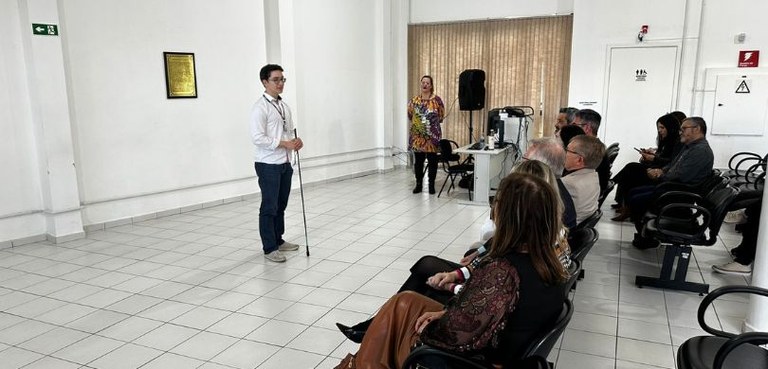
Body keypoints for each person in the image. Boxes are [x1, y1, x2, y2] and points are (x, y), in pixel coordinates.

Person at [334, 173, 567, 369]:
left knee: (393, 330)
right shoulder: (547, 263)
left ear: (509, 217)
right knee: (403, 302)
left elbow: (455, 336)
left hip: (468, 361)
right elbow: (489, 315)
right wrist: (446, 313)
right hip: (491, 347)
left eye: (496, 203)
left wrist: (437, 322)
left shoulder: (503, 273)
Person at [629, 117, 714, 249]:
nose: (680, 132)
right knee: (633, 192)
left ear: (697, 129)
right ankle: (645, 234)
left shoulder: (700, 151)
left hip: (679, 194)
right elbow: (673, 165)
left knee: (636, 199)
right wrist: (660, 170)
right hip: (670, 188)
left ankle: (648, 238)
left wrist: (660, 175)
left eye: (684, 129)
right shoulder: (689, 147)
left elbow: (682, 177)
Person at [250, 64, 303, 263]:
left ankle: (278, 240)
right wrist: (284, 143)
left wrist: (295, 141)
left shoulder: (283, 106)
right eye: (276, 80)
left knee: (281, 205)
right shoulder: (260, 107)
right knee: (269, 206)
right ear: (265, 82)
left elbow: (287, 132)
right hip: (268, 164)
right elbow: (257, 138)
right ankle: (269, 247)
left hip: (285, 162)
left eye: (282, 79)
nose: (280, 83)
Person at [611, 113, 682, 221]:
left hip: (661, 174)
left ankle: (613, 184)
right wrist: (652, 156)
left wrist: (653, 158)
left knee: (631, 168)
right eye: (658, 128)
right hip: (657, 168)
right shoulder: (666, 141)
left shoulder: (677, 143)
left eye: (662, 128)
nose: (660, 131)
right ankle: (624, 203)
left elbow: (670, 162)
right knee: (631, 170)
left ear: (670, 128)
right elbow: (663, 157)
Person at [408, 75, 445, 194]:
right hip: (418, 137)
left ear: (431, 86)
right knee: (418, 162)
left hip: (432, 137)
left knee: (432, 162)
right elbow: (410, 115)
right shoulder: (414, 100)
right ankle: (418, 184)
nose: (425, 85)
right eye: (423, 82)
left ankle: (431, 185)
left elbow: (441, 116)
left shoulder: (437, 100)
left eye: (427, 83)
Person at [561, 135, 605, 224]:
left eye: (567, 150)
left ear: (579, 160)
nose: (563, 153)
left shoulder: (568, 184)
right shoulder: (593, 176)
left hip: (564, 229)